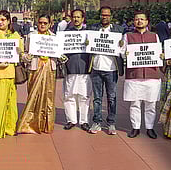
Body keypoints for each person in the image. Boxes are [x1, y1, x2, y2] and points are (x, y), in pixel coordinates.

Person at [17, 14, 66, 134]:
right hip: (35, 68)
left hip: (49, 68)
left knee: (48, 97)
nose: (42, 25)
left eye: (45, 23)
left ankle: (46, 124)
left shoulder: (54, 38)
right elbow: (24, 53)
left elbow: (59, 55)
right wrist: (26, 57)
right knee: (34, 95)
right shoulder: (31, 36)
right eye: (40, 22)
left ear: (50, 24)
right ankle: (30, 123)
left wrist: (62, 57)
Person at [123, 10, 161, 139]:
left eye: (142, 19)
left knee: (151, 103)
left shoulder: (154, 36)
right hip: (134, 74)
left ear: (147, 22)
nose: (139, 21)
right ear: (134, 21)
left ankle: (150, 127)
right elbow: (122, 52)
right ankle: (136, 127)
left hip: (151, 74)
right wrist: (125, 54)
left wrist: (161, 55)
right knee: (135, 103)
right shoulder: (128, 36)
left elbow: (158, 52)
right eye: (136, 19)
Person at [88, 7, 124, 135]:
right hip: (96, 67)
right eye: (103, 15)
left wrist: (121, 46)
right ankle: (97, 121)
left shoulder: (118, 30)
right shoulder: (93, 29)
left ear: (111, 16)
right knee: (97, 98)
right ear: (100, 16)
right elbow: (87, 44)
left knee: (112, 97)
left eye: (107, 15)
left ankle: (111, 123)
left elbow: (123, 48)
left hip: (111, 69)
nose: (105, 17)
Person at [0, 10, 23, 138]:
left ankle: (10, 128)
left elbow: (20, 51)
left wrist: (21, 54)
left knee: (11, 102)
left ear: (9, 21)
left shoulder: (14, 35)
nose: (0, 22)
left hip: (10, 72)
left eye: (3, 20)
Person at [63, 9, 92, 132]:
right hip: (71, 67)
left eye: (78, 17)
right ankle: (71, 120)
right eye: (74, 17)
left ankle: (84, 121)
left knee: (84, 96)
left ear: (83, 19)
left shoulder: (89, 34)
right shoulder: (66, 33)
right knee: (69, 95)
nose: (76, 19)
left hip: (86, 68)